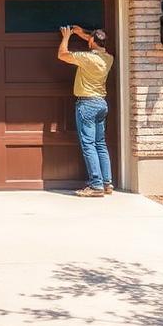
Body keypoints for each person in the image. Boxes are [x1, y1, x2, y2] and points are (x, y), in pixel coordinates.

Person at [57, 25, 114, 198]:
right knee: (100, 144)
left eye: (89, 39)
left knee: (89, 145)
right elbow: (94, 40)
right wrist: (82, 33)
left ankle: (96, 186)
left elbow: (62, 54)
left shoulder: (87, 58)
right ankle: (106, 183)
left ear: (92, 42)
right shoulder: (108, 58)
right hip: (101, 104)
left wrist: (66, 36)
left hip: (87, 104)